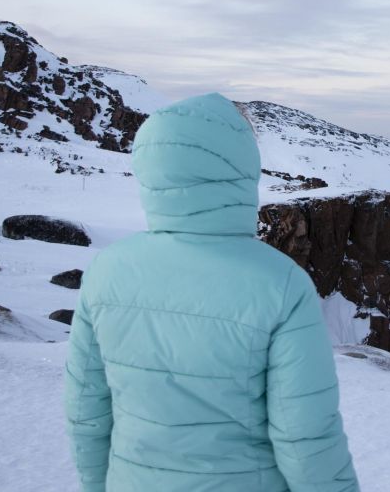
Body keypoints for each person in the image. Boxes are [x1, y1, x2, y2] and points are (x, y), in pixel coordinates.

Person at [64, 93, 359, 491]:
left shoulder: (106, 271)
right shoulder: (281, 284)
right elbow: (306, 439)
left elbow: (86, 414)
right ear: (240, 165)